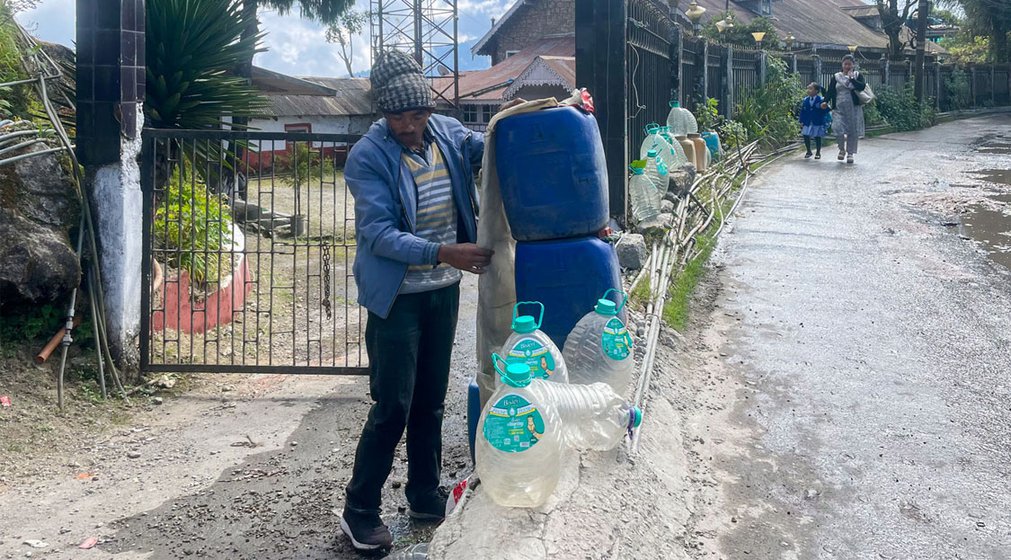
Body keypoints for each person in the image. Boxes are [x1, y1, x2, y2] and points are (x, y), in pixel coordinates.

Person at [340, 49, 493, 551]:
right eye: (398, 116)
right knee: (393, 406)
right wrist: (444, 251)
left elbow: (494, 142)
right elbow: (379, 234)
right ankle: (359, 510)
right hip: (398, 299)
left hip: (441, 293)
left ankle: (425, 492)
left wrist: (560, 111)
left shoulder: (446, 132)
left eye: (417, 114)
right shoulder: (369, 156)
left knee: (430, 399)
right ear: (383, 114)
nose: (409, 126)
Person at [825, 55, 867, 164]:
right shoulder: (836, 77)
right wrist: (825, 101)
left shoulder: (857, 75)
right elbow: (830, 90)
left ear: (853, 65)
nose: (847, 66)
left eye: (850, 64)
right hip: (839, 107)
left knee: (852, 130)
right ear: (842, 65)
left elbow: (862, 87)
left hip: (854, 108)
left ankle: (850, 153)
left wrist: (852, 78)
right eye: (845, 64)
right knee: (837, 127)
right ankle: (841, 149)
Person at [799, 82, 830, 160]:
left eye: (810, 88)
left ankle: (818, 152)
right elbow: (803, 111)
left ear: (816, 91)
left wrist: (824, 107)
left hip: (817, 121)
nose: (808, 90)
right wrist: (801, 121)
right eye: (808, 88)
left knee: (817, 136)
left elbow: (827, 110)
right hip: (807, 121)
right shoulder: (805, 100)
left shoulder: (821, 99)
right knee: (806, 135)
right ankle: (808, 151)